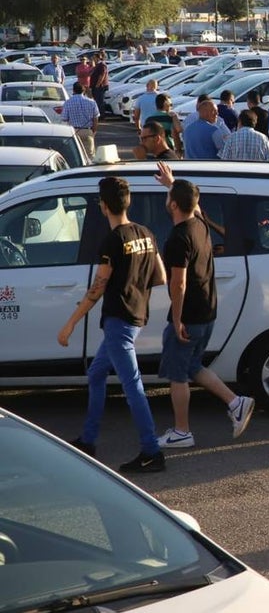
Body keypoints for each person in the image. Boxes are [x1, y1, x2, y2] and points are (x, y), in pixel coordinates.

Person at [59, 177, 167, 473]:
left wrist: (69, 325)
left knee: (133, 387)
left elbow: (97, 289)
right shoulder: (146, 233)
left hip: (119, 321)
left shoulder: (112, 240)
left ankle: (151, 451)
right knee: (96, 374)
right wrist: (134, 284)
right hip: (135, 317)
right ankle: (88, 439)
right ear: (127, 202)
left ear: (103, 206)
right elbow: (161, 277)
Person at [152, 163, 255, 449]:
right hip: (208, 311)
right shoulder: (198, 224)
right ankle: (236, 402)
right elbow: (194, 207)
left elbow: (178, 284)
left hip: (189, 316)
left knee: (177, 374)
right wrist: (172, 184)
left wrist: (176, 319)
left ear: (173, 205)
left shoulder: (177, 237)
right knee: (193, 365)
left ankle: (182, 431)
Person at [60, 81, 100, 158]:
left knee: (75, 156)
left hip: (73, 131)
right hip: (87, 131)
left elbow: (64, 118)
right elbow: (95, 118)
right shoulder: (92, 102)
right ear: (84, 90)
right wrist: (93, 131)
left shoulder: (68, 103)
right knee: (90, 155)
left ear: (73, 90)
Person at [89, 51, 112, 115]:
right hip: (95, 86)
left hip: (100, 86)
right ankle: (97, 113)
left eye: (94, 58)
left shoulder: (102, 65)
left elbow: (102, 75)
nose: (93, 59)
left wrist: (97, 85)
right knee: (96, 100)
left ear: (98, 58)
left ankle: (101, 115)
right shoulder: (97, 65)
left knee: (100, 101)